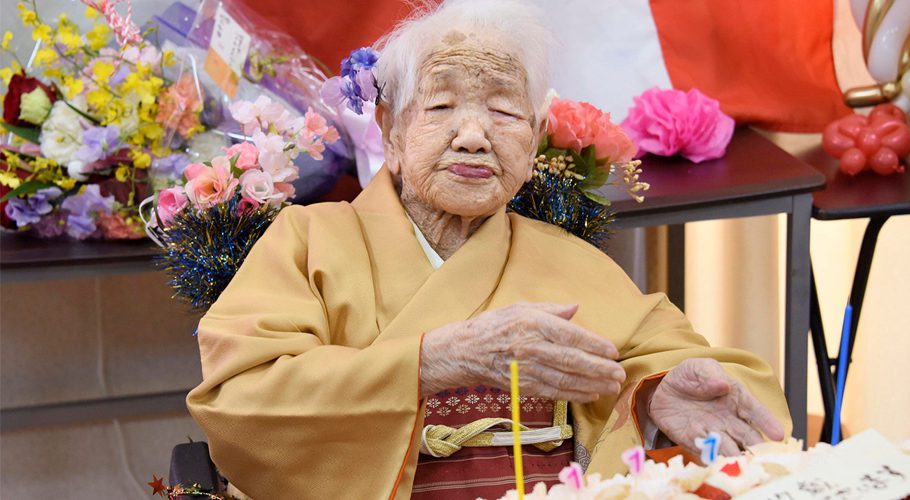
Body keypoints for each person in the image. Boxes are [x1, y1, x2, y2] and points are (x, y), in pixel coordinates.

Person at [186, 1, 791, 498]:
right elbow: (238, 402)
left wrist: (656, 393)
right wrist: (431, 361)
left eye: (504, 110)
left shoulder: (570, 262)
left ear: (532, 144)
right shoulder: (308, 240)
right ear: (392, 133)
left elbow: (685, 368)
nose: (474, 135)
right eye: (442, 106)